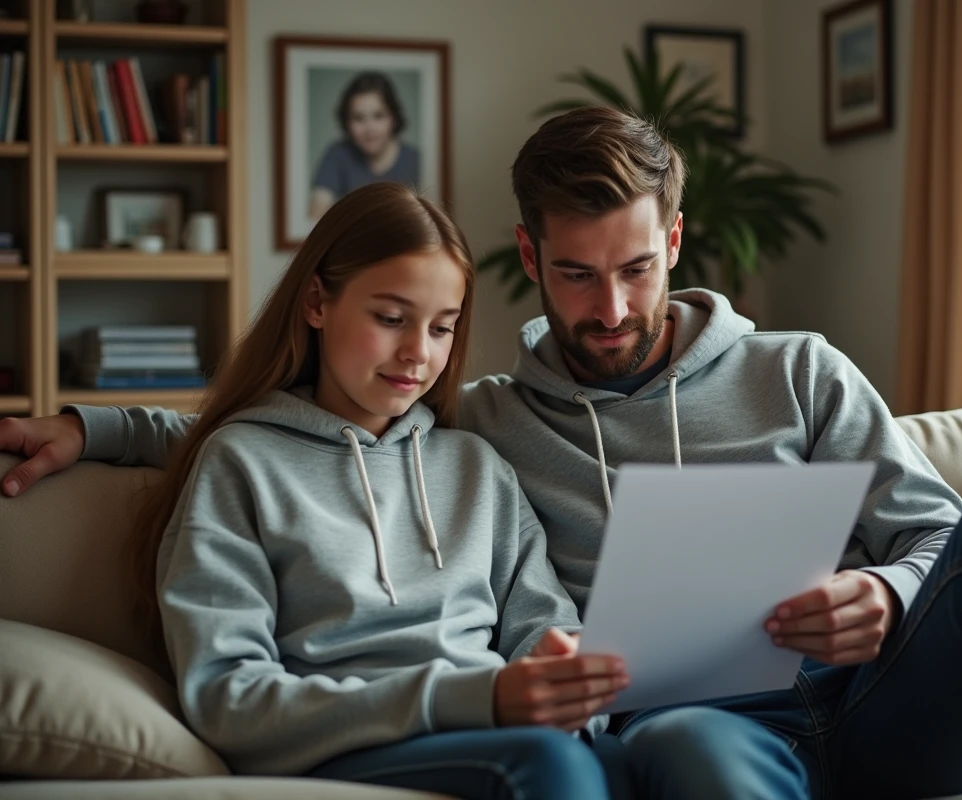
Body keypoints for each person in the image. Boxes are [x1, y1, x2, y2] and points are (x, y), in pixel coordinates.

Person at [0, 108, 962, 800]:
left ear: (673, 239)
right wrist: (94, 424)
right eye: (575, 273)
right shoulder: (490, 420)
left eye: (634, 267)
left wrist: (888, 588)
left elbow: (935, 529)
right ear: (529, 253)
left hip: (892, 697)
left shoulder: (802, 370)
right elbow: (310, 427)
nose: (608, 304)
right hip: (705, 729)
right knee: (676, 752)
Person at [102, 181, 625, 800]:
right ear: (317, 302)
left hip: (502, 731)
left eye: (441, 328)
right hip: (345, 744)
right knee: (551, 768)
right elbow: (227, 697)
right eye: (391, 318)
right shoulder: (241, 462)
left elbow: (544, 624)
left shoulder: (476, 467)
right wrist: (474, 699)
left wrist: (572, 693)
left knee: (642, 760)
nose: (416, 353)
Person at [309, 71, 421, 223]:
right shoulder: (337, 154)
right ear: (347, 123)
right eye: (358, 118)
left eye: (378, 116)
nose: (369, 129)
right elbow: (316, 215)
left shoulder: (416, 160)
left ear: (394, 118)